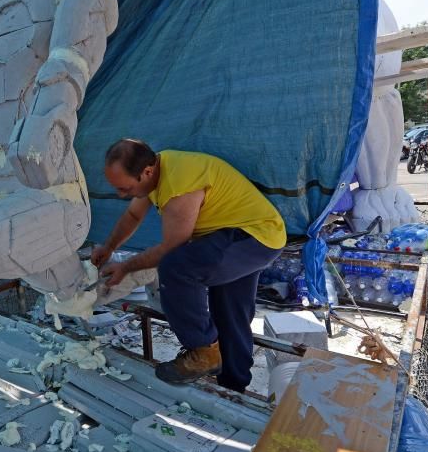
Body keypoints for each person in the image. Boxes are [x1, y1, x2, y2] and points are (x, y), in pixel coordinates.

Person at [94, 139, 286, 392]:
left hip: (252, 236)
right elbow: (132, 215)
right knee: (230, 312)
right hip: (237, 235)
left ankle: (203, 352)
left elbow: (170, 249)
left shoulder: (179, 186)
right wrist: (108, 247)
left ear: (147, 172)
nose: (122, 195)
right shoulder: (156, 167)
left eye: (125, 188)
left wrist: (125, 267)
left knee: (177, 269)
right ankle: (232, 385)